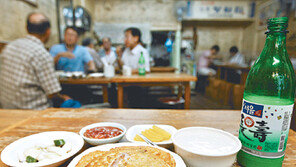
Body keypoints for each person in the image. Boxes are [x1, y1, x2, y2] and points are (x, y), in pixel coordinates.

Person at [0, 13, 71, 110]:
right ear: (48, 31)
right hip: (34, 112)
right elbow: (52, 93)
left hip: (7, 110)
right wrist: (64, 98)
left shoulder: (10, 47)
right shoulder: (42, 54)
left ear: (27, 28)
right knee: (71, 103)